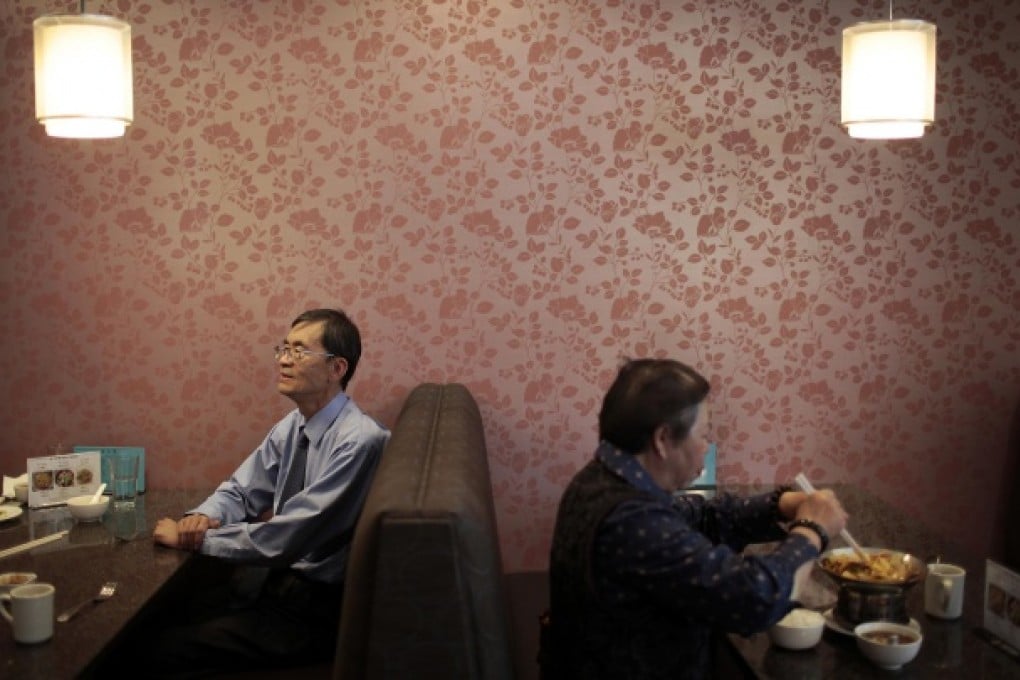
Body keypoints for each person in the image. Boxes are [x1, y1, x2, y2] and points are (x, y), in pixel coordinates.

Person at [547, 358, 848, 680]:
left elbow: (699, 516)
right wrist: (812, 531)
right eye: (703, 435)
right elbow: (755, 599)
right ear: (663, 440)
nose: (707, 448)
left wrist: (780, 505)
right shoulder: (631, 521)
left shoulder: (600, 478)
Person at [149, 308, 390, 676]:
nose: (283, 360)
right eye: (283, 349)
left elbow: (289, 537)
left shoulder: (359, 441)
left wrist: (196, 542)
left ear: (336, 368)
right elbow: (242, 490)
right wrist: (200, 519)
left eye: (298, 351)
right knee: (160, 617)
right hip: (277, 585)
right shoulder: (294, 424)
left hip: (316, 608)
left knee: (166, 649)